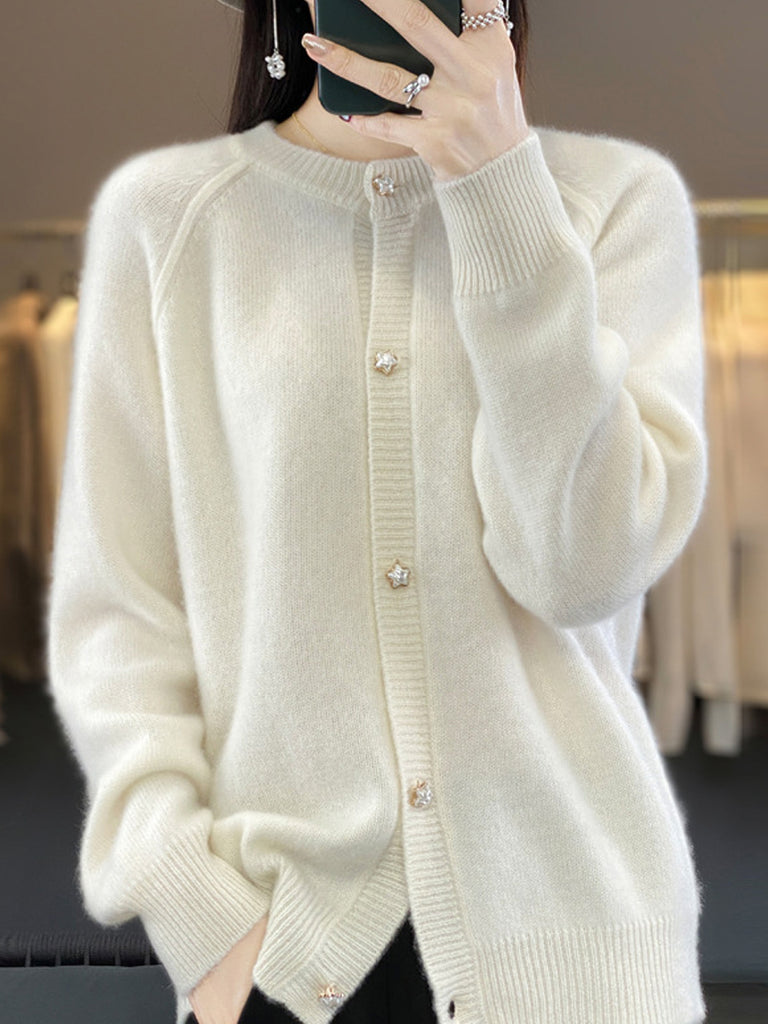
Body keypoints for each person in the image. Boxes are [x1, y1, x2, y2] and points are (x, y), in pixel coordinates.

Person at [45, 0, 709, 1022]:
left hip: (579, 958)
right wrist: (199, 919)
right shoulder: (168, 219)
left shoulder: (616, 203)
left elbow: (581, 571)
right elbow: (117, 620)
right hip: (278, 958)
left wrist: (502, 194)